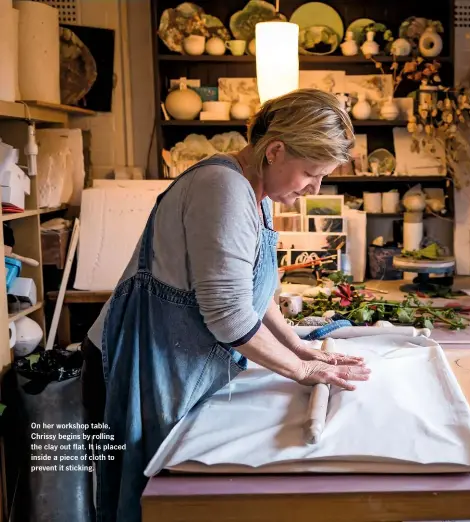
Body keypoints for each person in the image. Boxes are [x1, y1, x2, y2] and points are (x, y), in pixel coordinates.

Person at [79, 88, 370, 522]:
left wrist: (298, 347)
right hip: (135, 364)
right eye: (311, 172)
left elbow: (252, 294)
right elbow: (228, 315)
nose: (316, 187)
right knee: (147, 501)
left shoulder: (258, 193)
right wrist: (302, 371)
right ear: (274, 150)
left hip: (174, 363)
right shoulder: (222, 188)